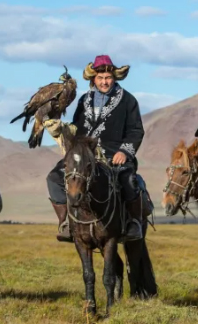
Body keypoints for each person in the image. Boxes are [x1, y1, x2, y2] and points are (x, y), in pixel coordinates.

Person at [45, 55, 145, 242]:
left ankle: (134, 223)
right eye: (100, 78)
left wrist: (124, 152)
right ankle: (65, 221)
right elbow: (77, 128)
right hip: (85, 156)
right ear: (93, 79)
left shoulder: (128, 100)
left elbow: (136, 130)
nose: (104, 82)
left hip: (115, 155)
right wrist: (62, 130)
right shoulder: (84, 100)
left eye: (108, 78)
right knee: (54, 177)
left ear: (114, 77)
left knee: (129, 180)